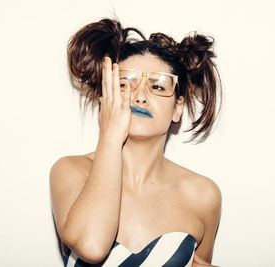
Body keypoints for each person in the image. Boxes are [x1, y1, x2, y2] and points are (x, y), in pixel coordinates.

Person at [49, 18, 222, 267]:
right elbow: (92, 245)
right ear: (105, 97)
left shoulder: (203, 194)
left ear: (177, 108)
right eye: (124, 84)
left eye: (158, 86)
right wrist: (109, 133)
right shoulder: (70, 171)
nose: (140, 96)